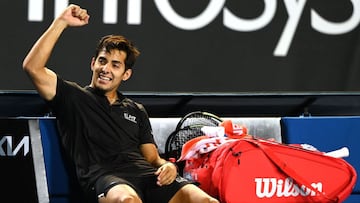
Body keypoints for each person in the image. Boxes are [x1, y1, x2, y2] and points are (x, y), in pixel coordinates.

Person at [23, 4, 219, 203]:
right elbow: (32, 67)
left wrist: (169, 167)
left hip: (147, 177)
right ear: (93, 63)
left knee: (207, 201)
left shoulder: (136, 110)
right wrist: (61, 22)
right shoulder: (73, 97)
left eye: (115, 65)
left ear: (126, 74)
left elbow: (152, 159)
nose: (106, 69)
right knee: (127, 201)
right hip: (105, 178)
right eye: (102, 61)